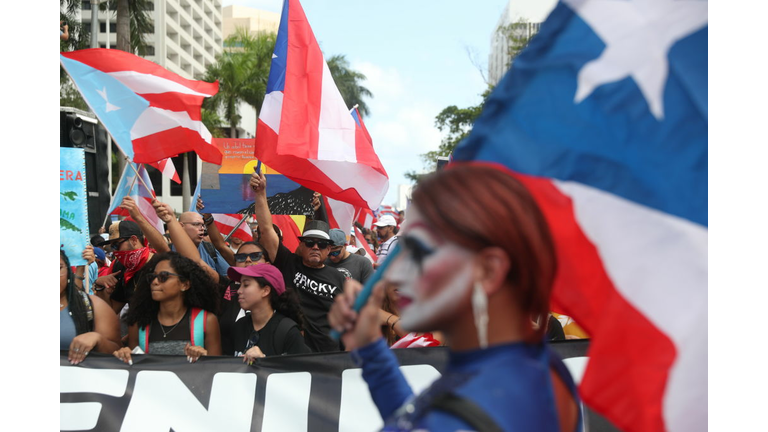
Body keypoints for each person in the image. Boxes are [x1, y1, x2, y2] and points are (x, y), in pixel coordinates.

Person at [329, 164, 581, 431]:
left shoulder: (496, 396)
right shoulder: (521, 369)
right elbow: (414, 417)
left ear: (488, 269)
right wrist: (371, 350)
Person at [249, 170, 347, 353]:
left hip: (328, 355)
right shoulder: (288, 262)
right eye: (310, 243)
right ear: (301, 246)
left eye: (321, 244)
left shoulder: (338, 278)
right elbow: (267, 229)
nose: (315, 247)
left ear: (328, 249)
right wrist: (260, 193)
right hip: (289, 352)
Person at [113, 252, 222, 364]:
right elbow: (133, 368)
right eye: (152, 277)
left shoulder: (206, 320)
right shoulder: (138, 323)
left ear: (185, 285)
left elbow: (217, 368)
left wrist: (204, 357)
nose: (155, 282)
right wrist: (125, 355)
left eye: (163, 277)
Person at [228, 264, 310, 360]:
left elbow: (301, 371)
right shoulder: (239, 326)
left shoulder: (288, 331)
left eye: (246, 285)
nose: (239, 291)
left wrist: (265, 360)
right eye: (240, 285)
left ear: (265, 291)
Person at [60, 250, 121, 365]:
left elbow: (118, 354)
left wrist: (98, 340)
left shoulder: (94, 306)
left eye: (58, 268)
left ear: (68, 270)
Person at [218, 241, 271, 355]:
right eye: (240, 257)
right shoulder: (229, 290)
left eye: (255, 256)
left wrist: (264, 360)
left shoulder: (285, 323)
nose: (247, 260)